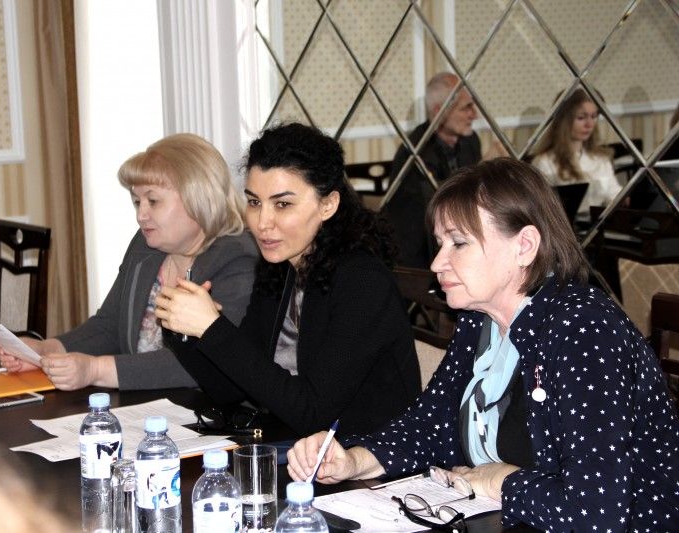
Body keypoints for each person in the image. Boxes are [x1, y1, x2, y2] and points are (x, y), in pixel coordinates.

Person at [287, 158, 679, 532]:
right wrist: (354, 459)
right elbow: (432, 422)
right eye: (440, 243)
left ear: (524, 246)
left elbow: (597, 513)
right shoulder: (480, 319)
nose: (437, 263)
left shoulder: (584, 330)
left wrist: (502, 481)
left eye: (459, 243)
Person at [155, 123, 421, 436]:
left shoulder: (363, 282)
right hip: (300, 447)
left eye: (282, 204)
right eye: (254, 202)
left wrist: (213, 328)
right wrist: (184, 328)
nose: (262, 223)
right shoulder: (281, 267)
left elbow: (312, 412)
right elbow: (230, 389)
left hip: (368, 456)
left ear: (327, 205)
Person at [0, 134, 258, 391]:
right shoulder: (145, 245)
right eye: (137, 202)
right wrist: (45, 350)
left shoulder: (238, 258)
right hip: (143, 407)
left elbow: (204, 363)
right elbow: (110, 325)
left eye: (153, 201)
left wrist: (95, 370)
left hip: (204, 411)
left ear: (198, 197)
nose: (141, 215)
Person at [384, 72, 481, 267]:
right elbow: (429, 210)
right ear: (439, 111)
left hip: (462, 237)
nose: (474, 114)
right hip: (423, 254)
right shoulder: (416, 152)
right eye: (466, 108)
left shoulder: (470, 141)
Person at [532, 88, 622, 220]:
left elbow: (614, 196)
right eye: (581, 118)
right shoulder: (545, 162)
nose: (589, 124)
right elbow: (542, 210)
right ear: (564, 120)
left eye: (594, 116)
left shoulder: (601, 159)